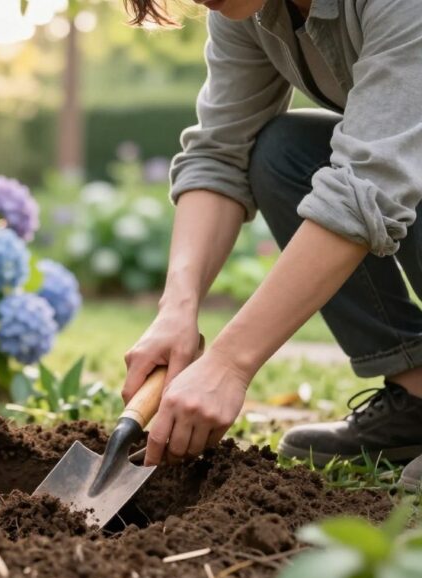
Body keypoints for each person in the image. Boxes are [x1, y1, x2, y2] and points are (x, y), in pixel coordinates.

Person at [122, 0, 422, 490]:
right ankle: (417, 397)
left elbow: (372, 181)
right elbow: (220, 153)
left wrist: (229, 363)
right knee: (284, 153)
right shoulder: (251, 11)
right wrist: (177, 309)